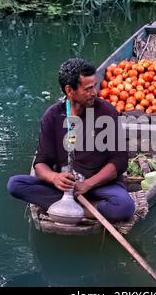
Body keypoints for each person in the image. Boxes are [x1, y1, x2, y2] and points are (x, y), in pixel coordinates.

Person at [7, 58, 135, 222]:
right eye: (88, 89)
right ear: (69, 90)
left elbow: (119, 161)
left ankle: (80, 209)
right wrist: (55, 178)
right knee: (15, 184)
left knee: (124, 207)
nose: (94, 93)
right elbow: (40, 163)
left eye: (94, 86)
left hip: (100, 186)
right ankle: (82, 207)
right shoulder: (52, 116)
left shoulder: (106, 112)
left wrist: (88, 184)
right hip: (66, 188)